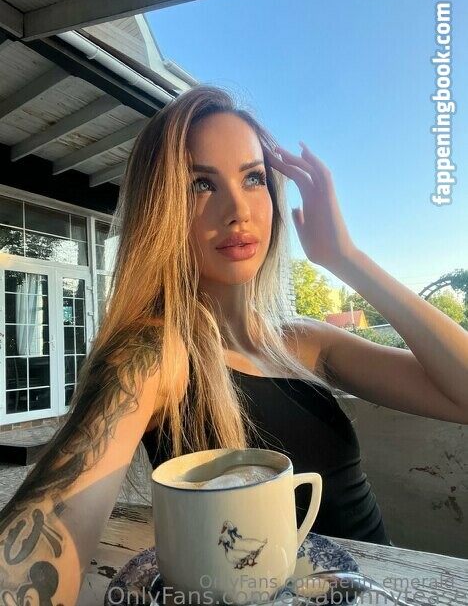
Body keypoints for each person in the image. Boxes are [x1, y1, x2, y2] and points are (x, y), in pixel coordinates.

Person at [1, 85, 467, 604]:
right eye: (201, 184)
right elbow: (46, 533)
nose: (238, 209)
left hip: (384, 589)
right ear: (162, 209)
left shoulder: (305, 341)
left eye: (253, 178)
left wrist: (344, 257)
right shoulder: (156, 353)